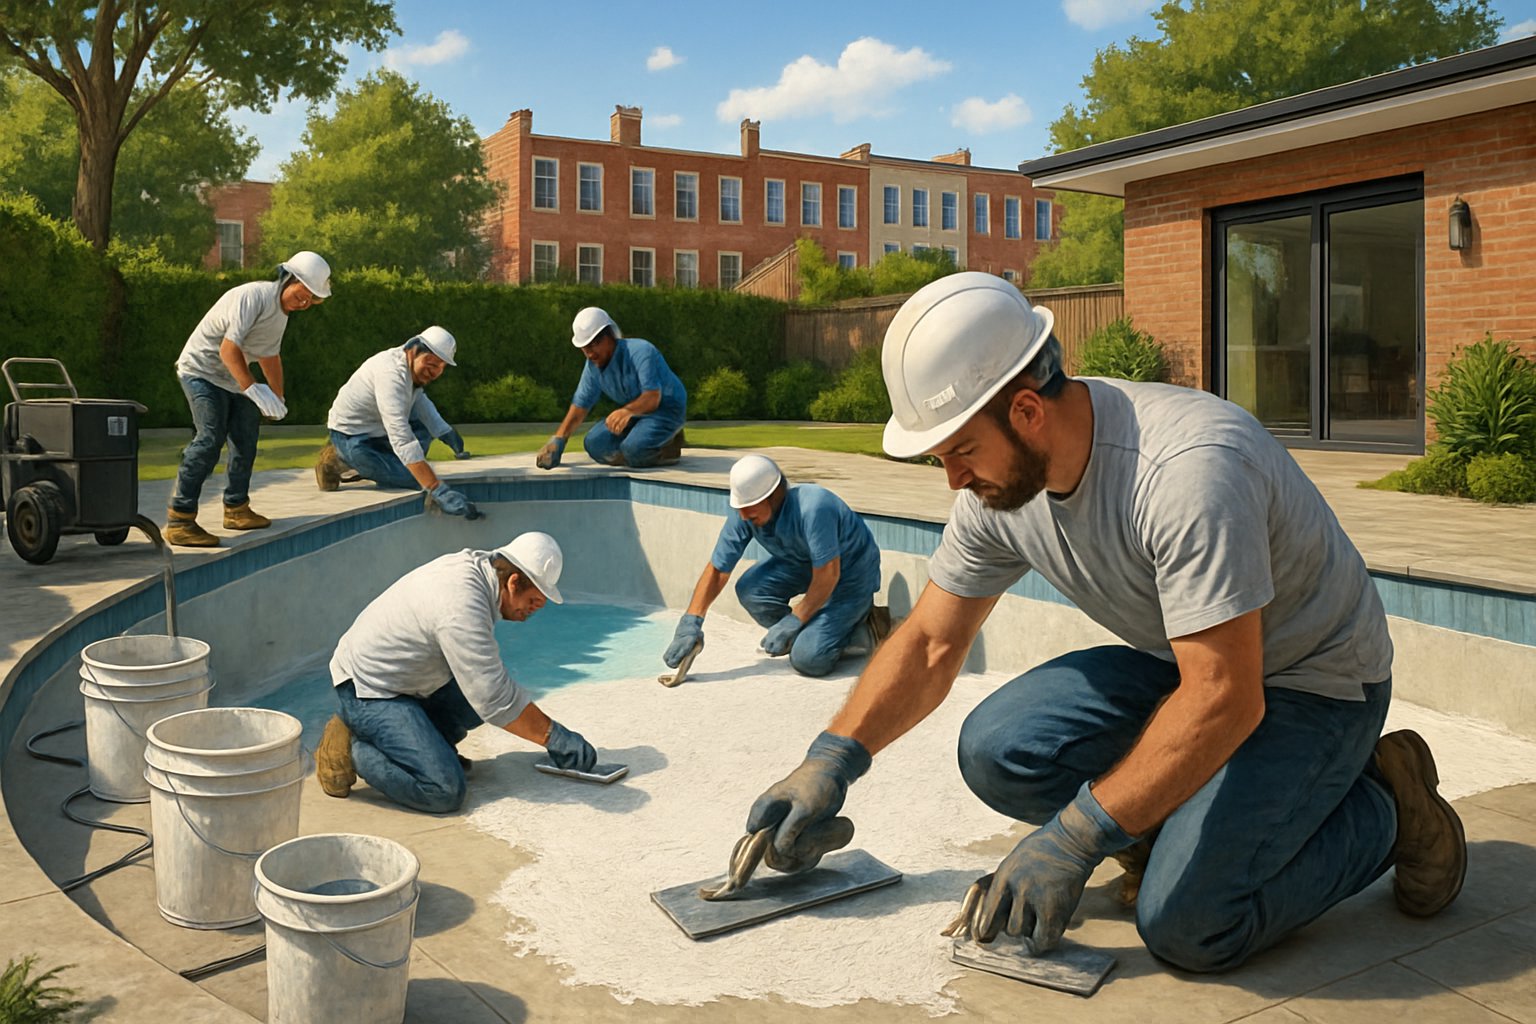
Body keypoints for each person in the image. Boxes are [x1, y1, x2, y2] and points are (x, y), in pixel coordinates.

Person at [738, 272, 1466, 973]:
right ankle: (1171, 822)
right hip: (1197, 663)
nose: (953, 478)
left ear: (1026, 411)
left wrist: (1077, 836)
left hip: (1316, 685)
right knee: (999, 749)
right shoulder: (1002, 490)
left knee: (1189, 924)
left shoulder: (1184, 473)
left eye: (960, 450)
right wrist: (832, 760)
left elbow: (1227, 697)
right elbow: (929, 641)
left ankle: (1388, 807)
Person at [316, 532, 600, 814]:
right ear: (513, 583)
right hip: (368, 690)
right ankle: (357, 747)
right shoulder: (461, 606)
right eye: (535, 601)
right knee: (444, 790)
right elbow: (494, 697)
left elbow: (492, 689)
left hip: (403, 679)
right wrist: (553, 736)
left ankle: (421, 748)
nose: (534, 611)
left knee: (484, 698)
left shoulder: (479, 571)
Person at [663, 455, 889, 679]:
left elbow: (829, 573)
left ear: (773, 497)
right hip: (803, 564)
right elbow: (718, 570)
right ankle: (814, 630)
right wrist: (691, 621)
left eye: (750, 509)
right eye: (740, 508)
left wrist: (796, 619)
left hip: (850, 577)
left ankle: (864, 626)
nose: (743, 516)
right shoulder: (745, 511)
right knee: (751, 590)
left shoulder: (813, 507)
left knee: (808, 660)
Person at [165, 250, 330, 547]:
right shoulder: (252, 296)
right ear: (288, 280)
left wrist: (277, 395)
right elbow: (228, 350)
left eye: (310, 300)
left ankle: (236, 508)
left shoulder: (281, 316)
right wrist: (252, 388)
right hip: (200, 371)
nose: (304, 303)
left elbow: (269, 355)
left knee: (245, 438)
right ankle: (180, 518)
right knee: (209, 439)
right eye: (302, 294)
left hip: (232, 379)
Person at [316, 326, 476, 517]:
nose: (434, 373)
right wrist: (436, 488)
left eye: (440, 368)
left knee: (420, 441)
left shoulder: (410, 371)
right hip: (352, 436)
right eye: (431, 364)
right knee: (409, 477)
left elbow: (421, 403)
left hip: (377, 431)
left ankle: (382, 465)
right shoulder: (390, 375)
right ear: (414, 350)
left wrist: (444, 431)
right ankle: (336, 459)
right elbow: (401, 436)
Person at [535, 307, 686, 470]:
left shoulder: (641, 351)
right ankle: (640, 444)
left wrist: (626, 411)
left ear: (610, 337)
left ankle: (670, 442)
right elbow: (580, 406)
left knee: (634, 451)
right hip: (636, 413)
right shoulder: (592, 367)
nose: (590, 354)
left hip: (667, 409)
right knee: (594, 444)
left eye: (595, 344)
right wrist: (558, 440)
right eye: (585, 348)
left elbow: (652, 397)